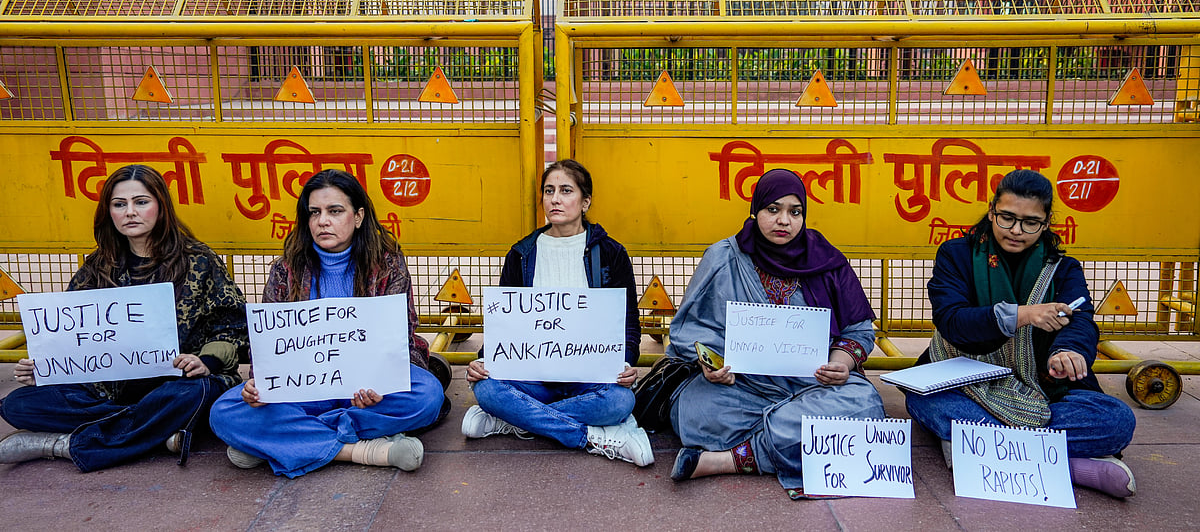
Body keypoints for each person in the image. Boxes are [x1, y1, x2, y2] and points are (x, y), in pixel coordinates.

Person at [905, 169, 1137, 498]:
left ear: (1045, 224)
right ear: (991, 211)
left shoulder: (1063, 268)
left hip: (1041, 388)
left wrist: (1067, 351)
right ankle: (1072, 466)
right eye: (1007, 218)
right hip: (963, 382)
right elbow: (952, 320)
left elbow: (1080, 318)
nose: (1016, 230)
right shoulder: (956, 255)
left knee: (1116, 420)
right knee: (922, 397)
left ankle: (978, 448)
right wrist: (1023, 315)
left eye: (1030, 222)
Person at [0, 164, 248, 471]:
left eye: (141, 202)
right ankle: (157, 432)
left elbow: (234, 328)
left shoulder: (198, 261)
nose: (130, 212)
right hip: (109, 389)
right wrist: (48, 369)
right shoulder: (98, 267)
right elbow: (70, 336)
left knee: (198, 395)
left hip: (179, 384)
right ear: (109, 212)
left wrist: (205, 361)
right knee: (16, 404)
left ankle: (61, 445)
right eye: (120, 204)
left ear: (161, 207)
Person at [208, 169, 443, 478]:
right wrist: (259, 385)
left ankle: (285, 440)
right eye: (314, 213)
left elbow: (402, 336)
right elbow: (269, 345)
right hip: (307, 389)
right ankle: (361, 450)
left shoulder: (387, 264)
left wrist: (384, 384)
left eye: (335, 211)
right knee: (224, 412)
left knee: (428, 395)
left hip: (366, 388)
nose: (323, 221)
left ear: (358, 216)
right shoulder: (285, 269)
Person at [666, 168, 884, 498]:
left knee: (865, 404)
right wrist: (712, 364)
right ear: (755, 211)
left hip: (813, 386)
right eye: (773, 209)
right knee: (693, 413)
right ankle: (796, 438)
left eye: (795, 212)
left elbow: (858, 329)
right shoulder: (725, 258)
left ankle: (728, 460)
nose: (784, 221)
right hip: (744, 386)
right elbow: (692, 329)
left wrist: (841, 362)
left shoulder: (826, 260)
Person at [461, 159, 653, 467]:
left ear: (585, 201)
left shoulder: (611, 254)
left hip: (588, 376)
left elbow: (629, 322)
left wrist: (627, 361)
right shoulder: (522, 254)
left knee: (621, 400)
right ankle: (590, 436)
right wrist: (485, 359)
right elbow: (504, 323)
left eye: (566, 190)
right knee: (486, 389)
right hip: (532, 375)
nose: (555, 199)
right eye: (549, 191)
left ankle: (515, 420)